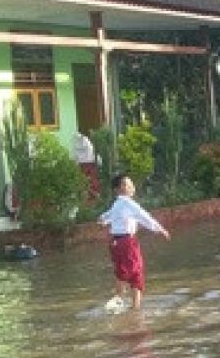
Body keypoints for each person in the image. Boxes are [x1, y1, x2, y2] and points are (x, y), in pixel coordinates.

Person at [99, 173, 171, 310]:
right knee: (134, 272)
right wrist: (160, 229)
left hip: (116, 243)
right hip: (126, 242)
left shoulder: (117, 204)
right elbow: (144, 216)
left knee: (128, 273)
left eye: (132, 184)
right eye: (127, 184)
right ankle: (127, 304)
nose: (132, 186)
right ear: (119, 189)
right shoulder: (128, 203)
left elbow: (107, 217)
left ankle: (126, 305)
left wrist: (102, 219)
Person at [73, 130, 100, 200]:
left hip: (86, 163)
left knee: (89, 180)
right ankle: (92, 196)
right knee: (89, 180)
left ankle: (93, 196)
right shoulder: (84, 141)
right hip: (88, 163)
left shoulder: (82, 141)